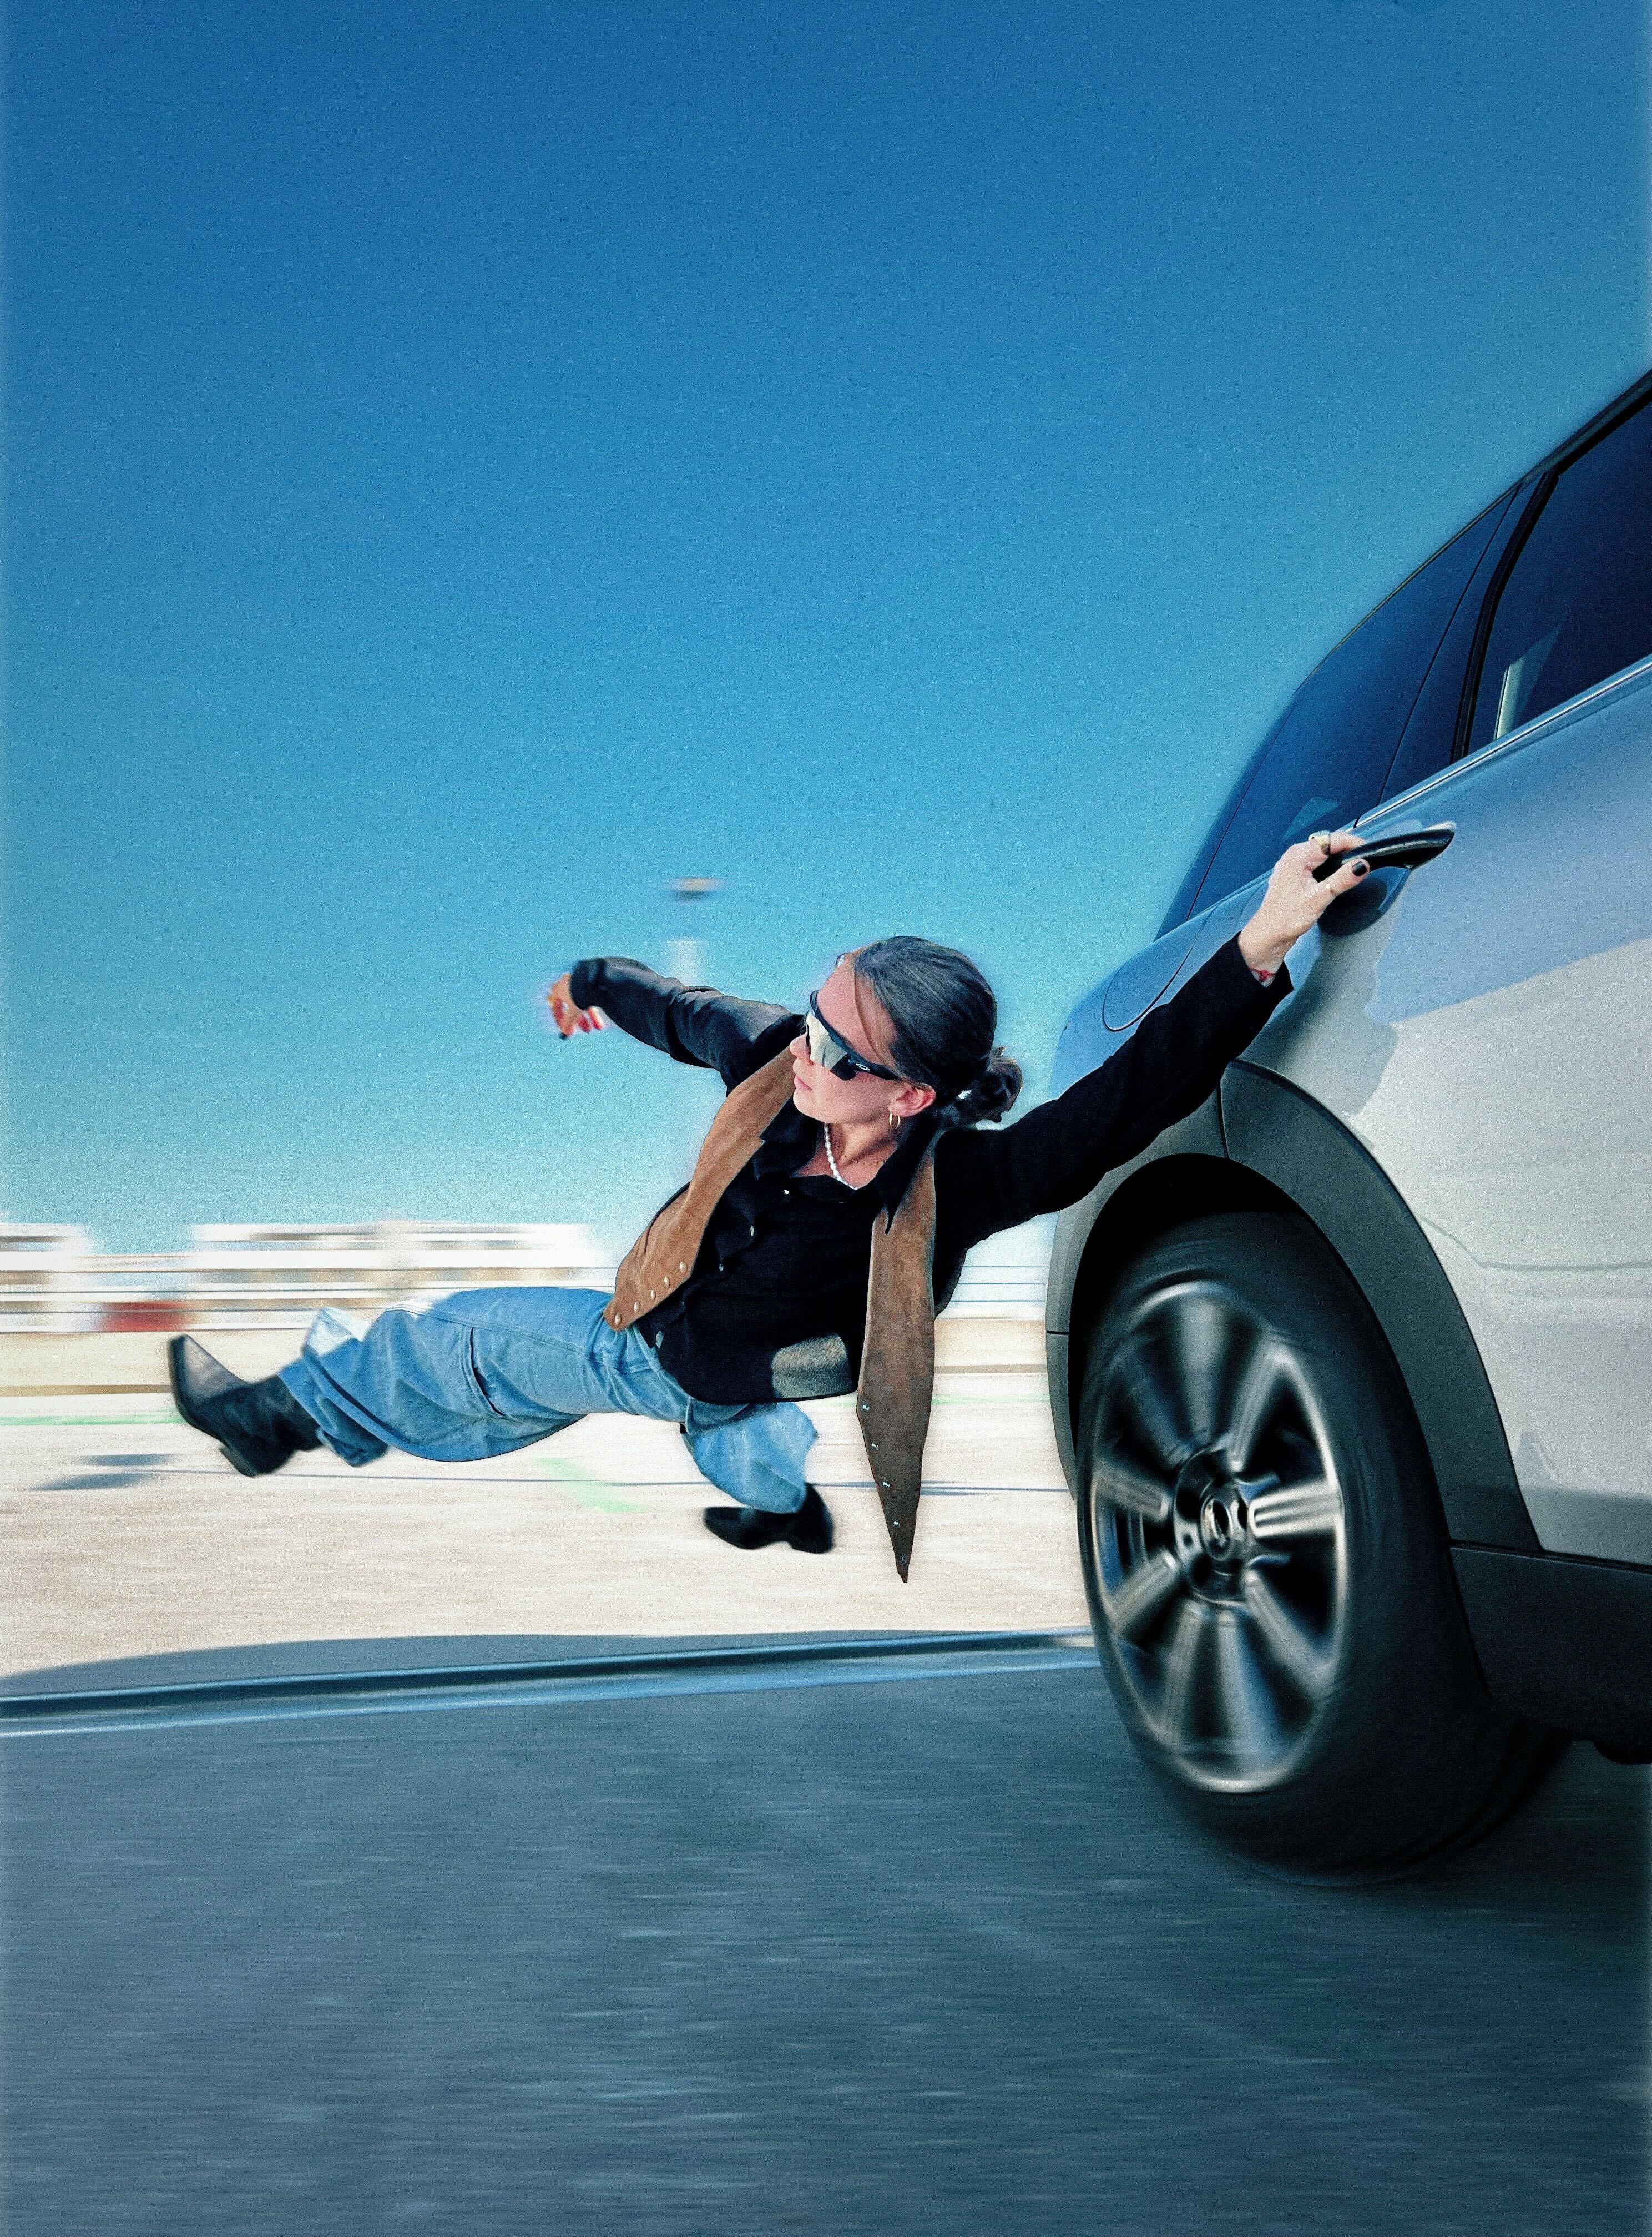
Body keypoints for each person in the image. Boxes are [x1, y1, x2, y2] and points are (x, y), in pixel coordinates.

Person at [169, 831, 1370, 1571]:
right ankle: (783, 1506)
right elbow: (679, 1008)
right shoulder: (772, 1057)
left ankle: (276, 1416)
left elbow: (1125, 1099)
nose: (806, 1052)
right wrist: (590, 981)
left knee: (460, 1341)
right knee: (734, 1435)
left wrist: (1263, 939)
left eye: (840, 1053)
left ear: (911, 1095)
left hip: (655, 1347)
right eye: (813, 1014)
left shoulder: (961, 1184)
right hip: (751, 1371)